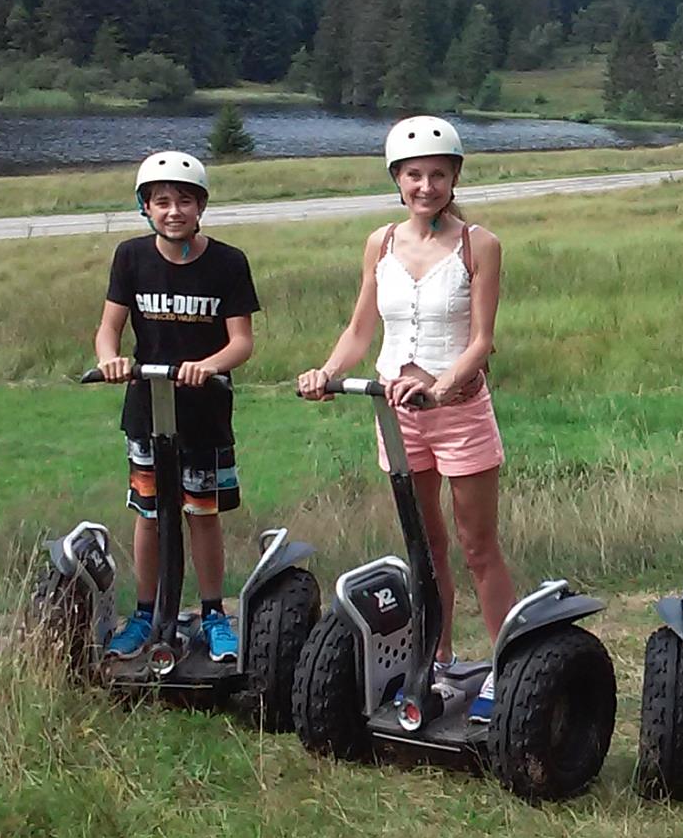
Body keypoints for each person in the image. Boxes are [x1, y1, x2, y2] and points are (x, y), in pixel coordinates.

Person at [297, 116, 513, 721]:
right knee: (425, 546)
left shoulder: (480, 245)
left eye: (437, 175)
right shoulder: (382, 242)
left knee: (478, 545)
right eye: (414, 175)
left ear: (454, 178)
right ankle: (436, 657)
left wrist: (440, 388)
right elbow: (361, 328)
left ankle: (505, 664)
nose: (426, 186)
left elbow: (481, 341)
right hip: (396, 415)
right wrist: (327, 370)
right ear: (397, 179)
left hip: (459, 411)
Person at [95, 150, 261, 662]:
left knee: (201, 513)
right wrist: (110, 360)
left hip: (203, 413)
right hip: (147, 409)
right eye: (161, 202)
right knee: (149, 513)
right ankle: (146, 613)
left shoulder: (228, 262)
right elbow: (109, 328)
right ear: (145, 208)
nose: (173, 211)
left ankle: (213, 613)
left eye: (184, 201)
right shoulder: (131, 257)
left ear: (201, 206)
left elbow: (242, 341)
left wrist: (209, 364)